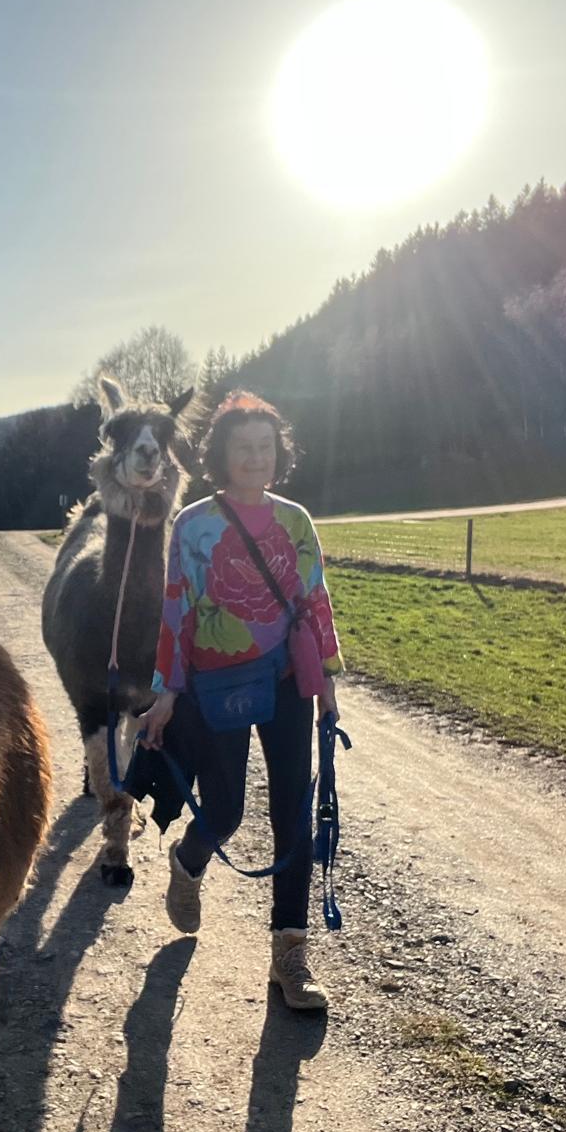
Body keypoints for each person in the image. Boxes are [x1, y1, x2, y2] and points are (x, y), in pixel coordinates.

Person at [138, 391, 343, 1011]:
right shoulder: (193, 524)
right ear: (221, 456)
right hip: (217, 684)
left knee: (292, 812)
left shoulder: (296, 521)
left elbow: (315, 602)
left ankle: (290, 956)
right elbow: (176, 610)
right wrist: (166, 692)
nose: (256, 458)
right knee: (224, 809)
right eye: (243, 448)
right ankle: (188, 860)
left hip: (286, 681)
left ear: (279, 452)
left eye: (265, 447)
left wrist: (327, 683)